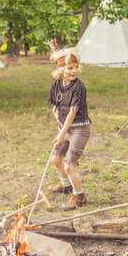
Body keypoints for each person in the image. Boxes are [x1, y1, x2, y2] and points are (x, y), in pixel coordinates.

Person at [48, 46, 91, 210]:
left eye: (76, 67)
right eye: (70, 68)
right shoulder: (56, 84)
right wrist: (58, 122)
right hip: (65, 128)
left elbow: (73, 112)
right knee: (55, 159)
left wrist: (61, 134)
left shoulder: (78, 87)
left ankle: (79, 196)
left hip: (79, 129)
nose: (75, 71)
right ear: (60, 69)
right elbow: (55, 106)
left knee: (69, 165)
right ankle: (65, 185)